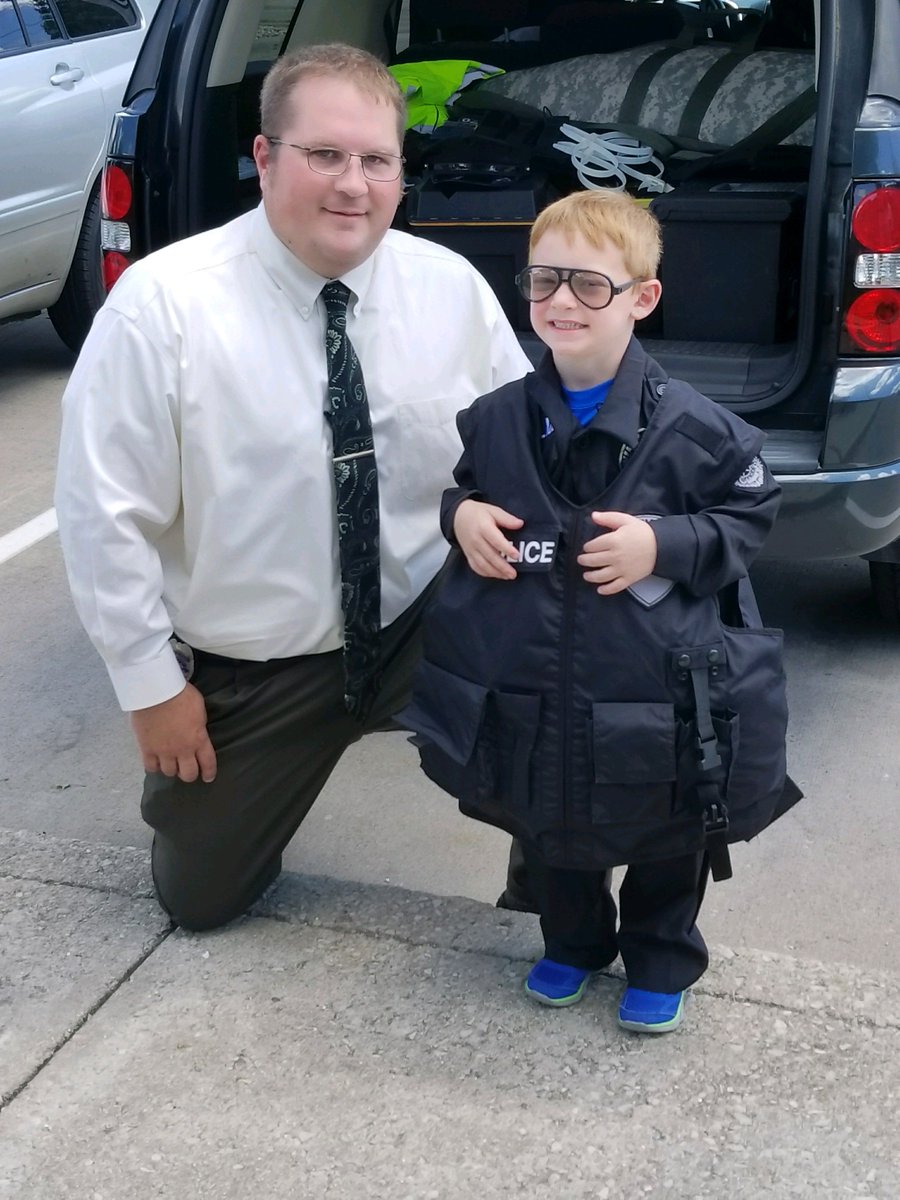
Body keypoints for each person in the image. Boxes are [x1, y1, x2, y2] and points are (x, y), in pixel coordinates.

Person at [55, 43, 532, 932]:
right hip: (260, 662)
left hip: (417, 622)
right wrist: (149, 686)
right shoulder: (164, 307)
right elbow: (100, 514)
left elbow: (519, 457)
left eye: (376, 160)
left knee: (575, 660)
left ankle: (554, 890)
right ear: (267, 158)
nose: (353, 184)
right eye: (324, 154)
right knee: (201, 899)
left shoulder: (450, 291)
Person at [400, 189, 800, 1033]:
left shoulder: (699, 431)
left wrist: (667, 547)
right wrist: (460, 516)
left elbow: (749, 515)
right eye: (543, 281)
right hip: (535, 680)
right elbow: (467, 492)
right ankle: (573, 943)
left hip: (658, 689)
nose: (560, 303)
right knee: (551, 822)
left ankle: (661, 957)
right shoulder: (499, 419)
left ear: (642, 299)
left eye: (590, 285)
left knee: (668, 830)